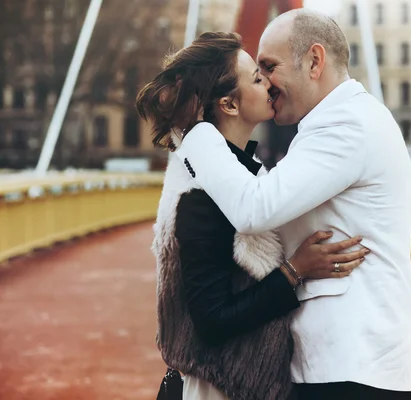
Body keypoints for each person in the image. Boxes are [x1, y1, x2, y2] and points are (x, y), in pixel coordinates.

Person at [173, 10, 411, 400]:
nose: (266, 83)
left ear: (314, 60)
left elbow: (253, 209)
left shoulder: (347, 126)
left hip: (356, 369)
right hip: (344, 366)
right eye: (257, 73)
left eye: (270, 67)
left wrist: (193, 133)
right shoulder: (333, 124)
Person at [136, 32, 366, 400]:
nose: (270, 84)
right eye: (258, 78)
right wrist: (295, 271)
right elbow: (212, 322)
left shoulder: (238, 179)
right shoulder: (202, 198)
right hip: (214, 388)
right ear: (229, 105)